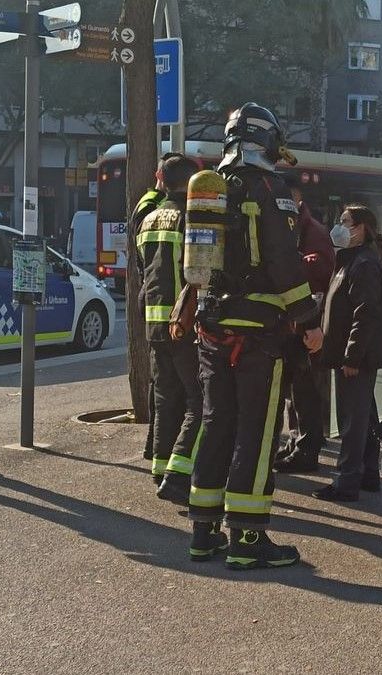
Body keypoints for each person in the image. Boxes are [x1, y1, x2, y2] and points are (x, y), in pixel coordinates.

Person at [187, 103, 323, 570]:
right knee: (257, 432)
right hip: (258, 334)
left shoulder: (211, 187)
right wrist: (308, 321)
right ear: (266, 141)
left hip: (212, 328)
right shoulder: (269, 188)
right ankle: (246, 538)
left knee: (215, 423)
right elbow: (284, 263)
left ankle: (203, 533)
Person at [134, 153, 203, 501]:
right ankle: (177, 473)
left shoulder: (148, 218)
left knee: (165, 398)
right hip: (184, 324)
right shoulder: (191, 218)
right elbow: (201, 273)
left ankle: (160, 467)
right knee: (201, 400)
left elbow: (141, 270)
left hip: (154, 322)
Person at [311, 205, 382, 501]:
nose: (339, 227)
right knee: (364, 417)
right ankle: (368, 474)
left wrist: (352, 356)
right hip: (353, 355)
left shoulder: (362, 264)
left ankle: (347, 481)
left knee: (352, 420)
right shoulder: (351, 260)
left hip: (355, 358)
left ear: (361, 229)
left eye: (345, 222)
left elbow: (365, 314)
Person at [274, 175, 336, 474]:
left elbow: (321, 268)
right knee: (293, 392)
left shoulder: (312, 230)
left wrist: (290, 261)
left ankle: (307, 448)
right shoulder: (292, 225)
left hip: (305, 323)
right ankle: (295, 443)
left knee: (305, 391)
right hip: (290, 324)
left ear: (298, 198)